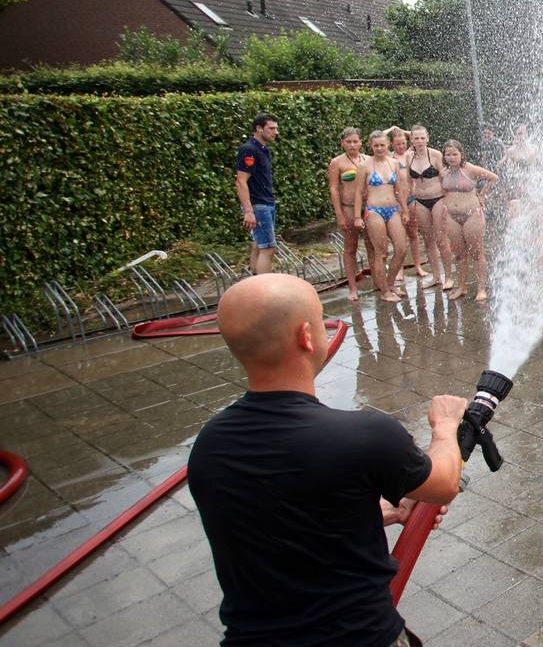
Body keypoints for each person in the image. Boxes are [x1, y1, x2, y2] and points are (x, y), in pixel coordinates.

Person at [188, 274, 463, 647]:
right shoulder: (365, 435)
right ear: (306, 336)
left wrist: (387, 512)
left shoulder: (209, 445)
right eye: (321, 319)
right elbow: (444, 483)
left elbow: (280, 520)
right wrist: (445, 427)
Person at [353, 131, 410, 304]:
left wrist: (405, 210)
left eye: (382, 145)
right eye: (376, 145)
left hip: (393, 209)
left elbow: (399, 189)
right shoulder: (365, 166)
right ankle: (384, 291)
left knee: (401, 249)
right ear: (370, 146)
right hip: (374, 210)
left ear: (388, 145)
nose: (379, 148)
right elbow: (358, 193)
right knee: (381, 252)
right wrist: (357, 216)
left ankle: (390, 283)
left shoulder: (394, 163)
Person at [439, 140, 499, 302]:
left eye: (454, 154)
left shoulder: (470, 169)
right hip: (452, 216)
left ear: (461, 154)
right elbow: (443, 190)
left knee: (477, 253)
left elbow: (493, 178)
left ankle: (481, 288)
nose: (451, 157)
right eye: (448, 154)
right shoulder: (443, 171)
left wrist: (481, 195)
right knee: (459, 254)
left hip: (472, 214)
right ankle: (462, 287)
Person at [327, 127, 369, 301]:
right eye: (348, 142)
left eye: (355, 141)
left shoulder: (368, 159)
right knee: (350, 248)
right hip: (349, 208)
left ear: (361, 142)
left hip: (369, 207)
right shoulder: (337, 163)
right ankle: (352, 288)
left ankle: (382, 282)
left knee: (373, 246)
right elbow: (334, 188)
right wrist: (339, 214)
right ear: (342, 143)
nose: (352, 145)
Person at [234, 113, 279, 275]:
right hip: (258, 205)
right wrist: (249, 211)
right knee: (268, 247)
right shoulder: (249, 150)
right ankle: (264, 288)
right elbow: (241, 181)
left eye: (276, 128)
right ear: (259, 129)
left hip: (266, 202)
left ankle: (255, 281)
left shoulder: (263, 149)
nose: (275, 132)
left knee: (259, 245)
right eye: (271, 128)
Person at [405, 125, 448, 288]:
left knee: (441, 239)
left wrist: (447, 200)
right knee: (428, 240)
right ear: (412, 140)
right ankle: (436, 276)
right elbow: (408, 181)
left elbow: (445, 178)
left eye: (422, 138)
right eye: (416, 138)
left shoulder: (435, 154)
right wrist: (406, 201)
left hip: (438, 198)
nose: (420, 141)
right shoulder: (409, 157)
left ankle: (449, 277)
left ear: (427, 138)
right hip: (420, 200)